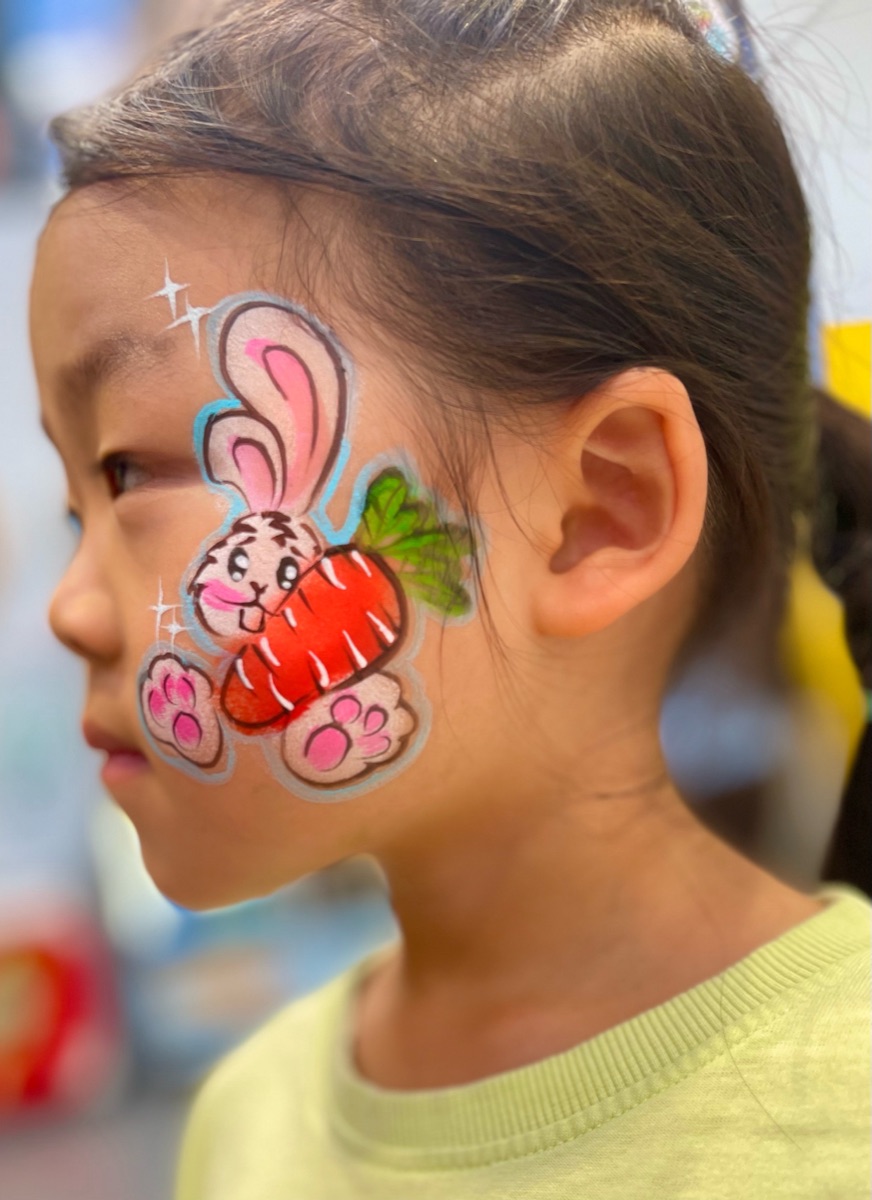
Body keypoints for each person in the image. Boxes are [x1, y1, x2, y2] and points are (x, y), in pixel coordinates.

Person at [30, 1, 870, 1196]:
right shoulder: (245, 1122)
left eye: (128, 474)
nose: (69, 607)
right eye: (76, 504)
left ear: (593, 515)